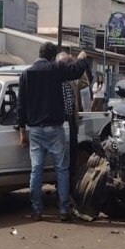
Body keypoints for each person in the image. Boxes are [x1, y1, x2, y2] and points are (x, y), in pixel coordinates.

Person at [17, 41, 88, 221]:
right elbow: (76, 71)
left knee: (36, 170)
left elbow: (21, 105)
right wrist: (82, 59)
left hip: (35, 130)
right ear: (51, 56)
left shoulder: (26, 74)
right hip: (55, 128)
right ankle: (64, 210)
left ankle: (36, 210)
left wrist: (22, 132)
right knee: (62, 170)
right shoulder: (55, 69)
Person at [56, 49, 90, 189]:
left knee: (72, 153)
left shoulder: (73, 78)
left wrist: (79, 64)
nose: (65, 66)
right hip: (58, 121)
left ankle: (69, 186)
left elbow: (85, 84)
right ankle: (61, 187)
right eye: (62, 64)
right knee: (60, 156)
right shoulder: (53, 78)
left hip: (71, 121)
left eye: (67, 63)